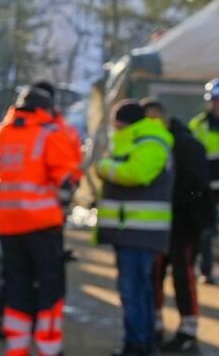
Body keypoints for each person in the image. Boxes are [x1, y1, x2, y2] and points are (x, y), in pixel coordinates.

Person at [0, 86, 81, 356]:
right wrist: (64, 205)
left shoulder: (0, 133)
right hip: (42, 223)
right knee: (49, 287)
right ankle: (48, 347)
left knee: (16, 285)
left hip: (7, 223)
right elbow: (66, 181)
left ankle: (16, 347)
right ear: (44, 109)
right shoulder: (49, 133)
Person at [96, 100, 175, 356]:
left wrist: (104, 167)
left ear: (124, 123)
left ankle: (137, 344)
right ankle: (142, 342)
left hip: (140, 233)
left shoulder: (151, 142)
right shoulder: (136, 141)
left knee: (134, 291)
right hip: (131, 232)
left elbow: (138, 173)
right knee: (139, 290)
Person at [144, 98, 214, 353]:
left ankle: (188, 330)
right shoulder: (151, 144)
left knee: (183, 276)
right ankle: (156, 324)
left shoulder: (186, 144)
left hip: (184, 224)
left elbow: (197, 187)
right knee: (156, 274)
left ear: (163, 117)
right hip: (159, 223)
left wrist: (175, 202)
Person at [192, 77, 219, 284]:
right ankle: (207, 270)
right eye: (215, 99)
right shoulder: (198, 125)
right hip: (207, 185)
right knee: (205, 229)